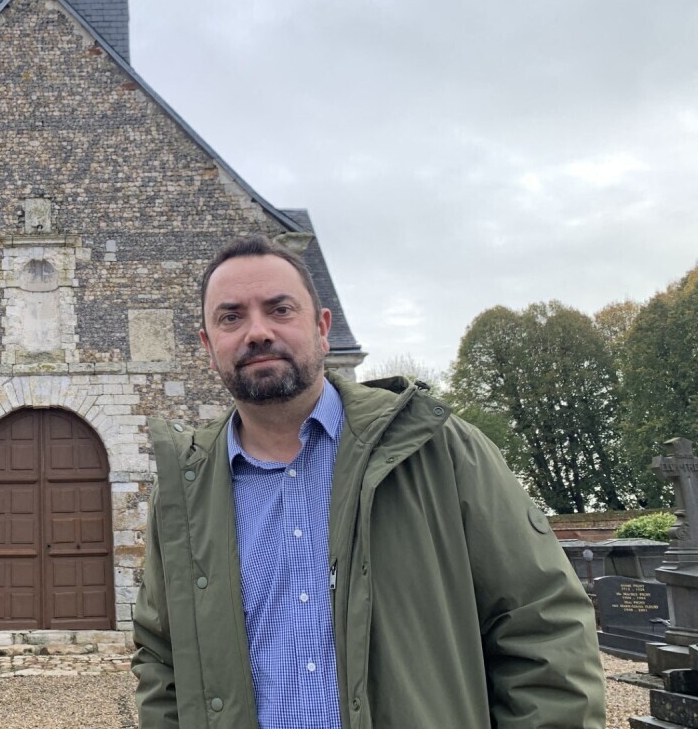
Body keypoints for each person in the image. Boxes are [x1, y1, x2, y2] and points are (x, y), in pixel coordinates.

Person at [132, 234, 605, 729]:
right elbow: (161, 655)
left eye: (280, 309)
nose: (256, 332)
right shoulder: (185, 489)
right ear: (209, 347)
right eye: (231, 317)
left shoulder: (438, 450)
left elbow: (544, 627)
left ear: (322, 329)